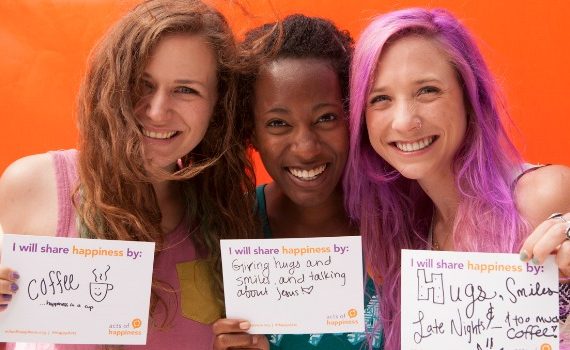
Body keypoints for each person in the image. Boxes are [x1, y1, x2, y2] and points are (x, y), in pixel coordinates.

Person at [0, 0, 257, 348]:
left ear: (217, 106)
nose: (157, 110)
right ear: (112, 86)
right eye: (142, 83)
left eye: (186, 90)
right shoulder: (32, 185)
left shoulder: (227, 220)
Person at [343, 7, 570, 350]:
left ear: (470, 97)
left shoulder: (540, 195)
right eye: (380, 99)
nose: (404, 121)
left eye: (427, 91)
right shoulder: (402, 231)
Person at [212, 14, 383, 350]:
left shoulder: (402, 225)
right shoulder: (228, 228)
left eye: (326, 118)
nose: (306, 148)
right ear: (252, 133)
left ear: (353, 118)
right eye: (278, 123)